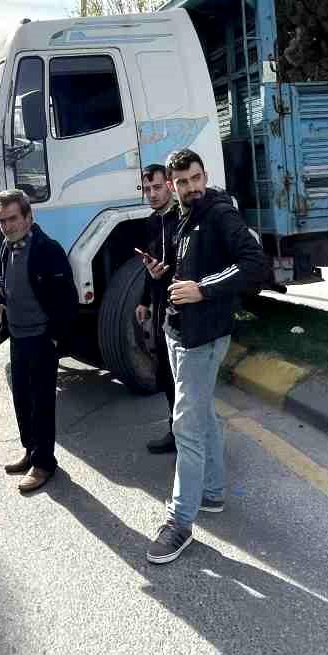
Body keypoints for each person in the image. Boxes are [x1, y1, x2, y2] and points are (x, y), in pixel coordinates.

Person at [146, 148, 269, 565]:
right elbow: (192, 264)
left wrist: (203, 287)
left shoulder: (218, 213)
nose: (191, 188)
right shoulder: (183, 216)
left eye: (195, 178)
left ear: (205, 175)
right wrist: (169, 275)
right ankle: (213, 492)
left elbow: (254, 264)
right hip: (178, 331)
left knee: (187, 425)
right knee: (201, 416)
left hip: (204, 336)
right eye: (182, 182)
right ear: (173, 184)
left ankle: (180, 522)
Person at [0, 189, 78, 495]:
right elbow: (0, 276)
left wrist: (56, 338)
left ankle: (44, 464)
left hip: (41, 339)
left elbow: (68, 299)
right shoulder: (6, 247)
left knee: (42, 404)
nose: (8, 226)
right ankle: (30, 451)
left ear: (29, 217)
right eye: (2, 221)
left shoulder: (47, 250)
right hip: (17, 335)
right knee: (22, 401)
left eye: (13, 219)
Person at [133, 163, 179, 454]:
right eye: (147, 189)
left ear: (170, 185)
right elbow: (150, 266)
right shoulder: (151, 222)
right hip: (161, 304)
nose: (152, 194)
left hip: (183, 305)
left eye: (157, 187)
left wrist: (168, 272)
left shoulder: (182, 219)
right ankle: (175, 431)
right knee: (164, 370)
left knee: (181, 375)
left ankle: (190, 436)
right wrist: (143, 300)